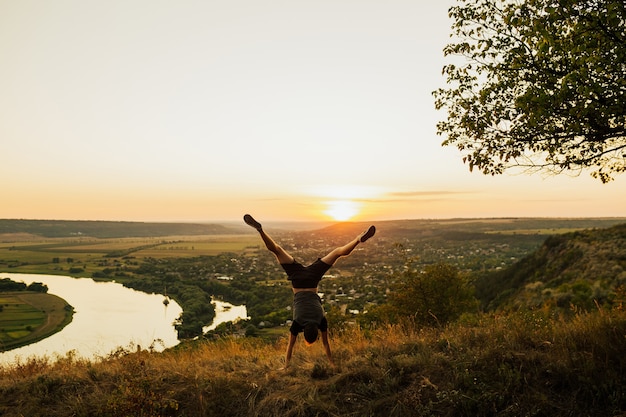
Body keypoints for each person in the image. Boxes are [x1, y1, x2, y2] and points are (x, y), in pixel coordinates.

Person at [243, 214, 375, 368]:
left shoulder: (321, 321)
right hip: (297, 278)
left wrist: (332, 363)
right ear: (304, 333)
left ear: (316, 333)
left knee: (338, 252)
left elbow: (326, 344)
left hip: (312, 277)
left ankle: (358, 240)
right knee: (277, 250)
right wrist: (286, 365)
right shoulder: (297, 323)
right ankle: (260, 230)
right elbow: (290, 347)